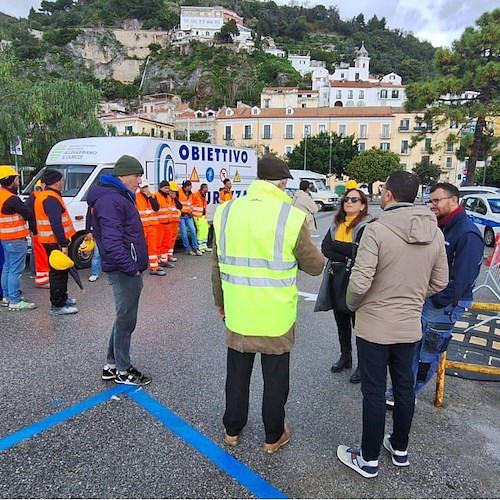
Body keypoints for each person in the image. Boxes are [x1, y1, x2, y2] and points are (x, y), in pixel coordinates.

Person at [337, 171, 448, 478]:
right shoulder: (434, 231)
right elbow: (440, 281)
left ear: (388, 194)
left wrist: (353, 305)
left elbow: (360, 282)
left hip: (375, 324)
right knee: (403, 388)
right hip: (410, 325)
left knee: (373, 391)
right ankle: (399, 448)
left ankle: (368, 459)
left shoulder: (377, 229)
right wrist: (412, 296)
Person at [212, 155, 324, 453]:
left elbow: (217, 266)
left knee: (237, 374)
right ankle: (273, 436)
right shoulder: (289, 215)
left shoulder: (225, 211)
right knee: (275, 380)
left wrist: (220, 303)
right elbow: (314, 266)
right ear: (282, 182)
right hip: (275, 314)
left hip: (238, 310)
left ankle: (232, 430)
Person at [387, 182, 482, 404]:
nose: (432, 205)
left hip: (444, 305)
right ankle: (401, 393)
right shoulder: (443, 225)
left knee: (427, 355)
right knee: (413, 349)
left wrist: (438, 301)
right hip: (430, 299)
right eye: (431, 201)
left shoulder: (467, 233)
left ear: (454, 200)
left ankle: (407, 395)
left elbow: (462, 279)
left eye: (437, 200)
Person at [87, 154, 151, 386]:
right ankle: (123, 370)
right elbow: (113, 243)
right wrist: (132, 268)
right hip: (123, 270)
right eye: (137, 175)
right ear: (122, 175)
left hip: (123, 268)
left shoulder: (116, 196)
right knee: (126, 321)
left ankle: (111, 365)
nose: (140, 180)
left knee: (123, 318)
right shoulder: (112, 200)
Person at [320, 188, 372, 384]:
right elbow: (326, 248)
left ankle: (363, 365)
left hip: (355, 279)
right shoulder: (336, 224)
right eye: (346, 199)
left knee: (358, 324)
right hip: (336, 277)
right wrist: (345, 255)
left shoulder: (366, 226)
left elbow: (359, 252)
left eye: (354, 199)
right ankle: (345, 356)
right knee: (340, 319)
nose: (348, 202)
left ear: (363, 205)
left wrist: (342, 251)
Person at [34, 169, 78, 315]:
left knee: (61, 271)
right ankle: (57, 305)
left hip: (51, 241)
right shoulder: (51, 198)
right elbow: (56, 223)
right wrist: (63, 243)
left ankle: (62, 298)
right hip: (55, 242)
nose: (62, 182)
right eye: (61, 180)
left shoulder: (46, 196)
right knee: (58, 273)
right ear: (56, 182)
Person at [0, 165, 36, 311]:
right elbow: (29, 214)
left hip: (5, 238)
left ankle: (7, 297)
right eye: (16, 179)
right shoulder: (12, 199)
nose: (18, 182)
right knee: (15, 270)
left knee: (7, 268)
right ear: (10, 180)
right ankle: (15, 301)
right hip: (16, 238)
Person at [136, 178, 165, 276]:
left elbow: (156, 208)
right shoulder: (136, 197)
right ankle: (138, 268)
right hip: (142, 226)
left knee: (153, 248)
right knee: (140, 248)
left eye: (146, 187)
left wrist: (150, 197)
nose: (145, 189)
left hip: (153, 226)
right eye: (143, 187)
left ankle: (154, 267)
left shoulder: (152, 196)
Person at [26, 180, 50, 289]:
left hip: (39, 232)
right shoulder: (38, 198)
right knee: (41, 257)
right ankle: (42, 281)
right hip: (39, 233)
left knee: (40, 256)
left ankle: (41, 277)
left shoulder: (34, 197)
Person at [178, 180, 202, 256]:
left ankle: (195, 247)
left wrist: (191, 212)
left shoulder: (191, 194)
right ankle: (188, 249)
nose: (189, 188)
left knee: (193, 230)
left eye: (190, 186)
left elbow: (191, 204)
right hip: (181, 216)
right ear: (184, 187)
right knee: (184, 233)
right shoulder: (179, 192)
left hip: (188, 215)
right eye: (187, 186)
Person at [155, 180, 175, 268]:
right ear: (160, 188)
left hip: (169, 224)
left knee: (166, 244)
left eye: (168, 188)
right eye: (165, 188)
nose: (167, 189)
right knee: (158, 244)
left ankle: (164, 261)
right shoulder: (156, 196)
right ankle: (156, 261)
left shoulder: (169, 197)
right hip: (160, 224)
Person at [192, 183, 211, 252]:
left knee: (205, 230)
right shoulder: (196, 195)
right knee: (200, 230)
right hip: (197, 216)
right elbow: (192, 204)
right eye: (206, 188)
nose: (207, 189)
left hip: (202, 215)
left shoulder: (203, 195)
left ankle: (204, 245)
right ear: (203, 188)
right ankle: (199, 246)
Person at [166, 181, 182, 262]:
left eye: (175, 191)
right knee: (166, 240)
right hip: (168, 222)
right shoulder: (166, 199)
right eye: (172, 191)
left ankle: (170, 255)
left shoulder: (175, 199)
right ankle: (164, 256)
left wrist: (175, 198)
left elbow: (180, 207)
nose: (173, 193)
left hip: (175, 222)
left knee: (172, 239)